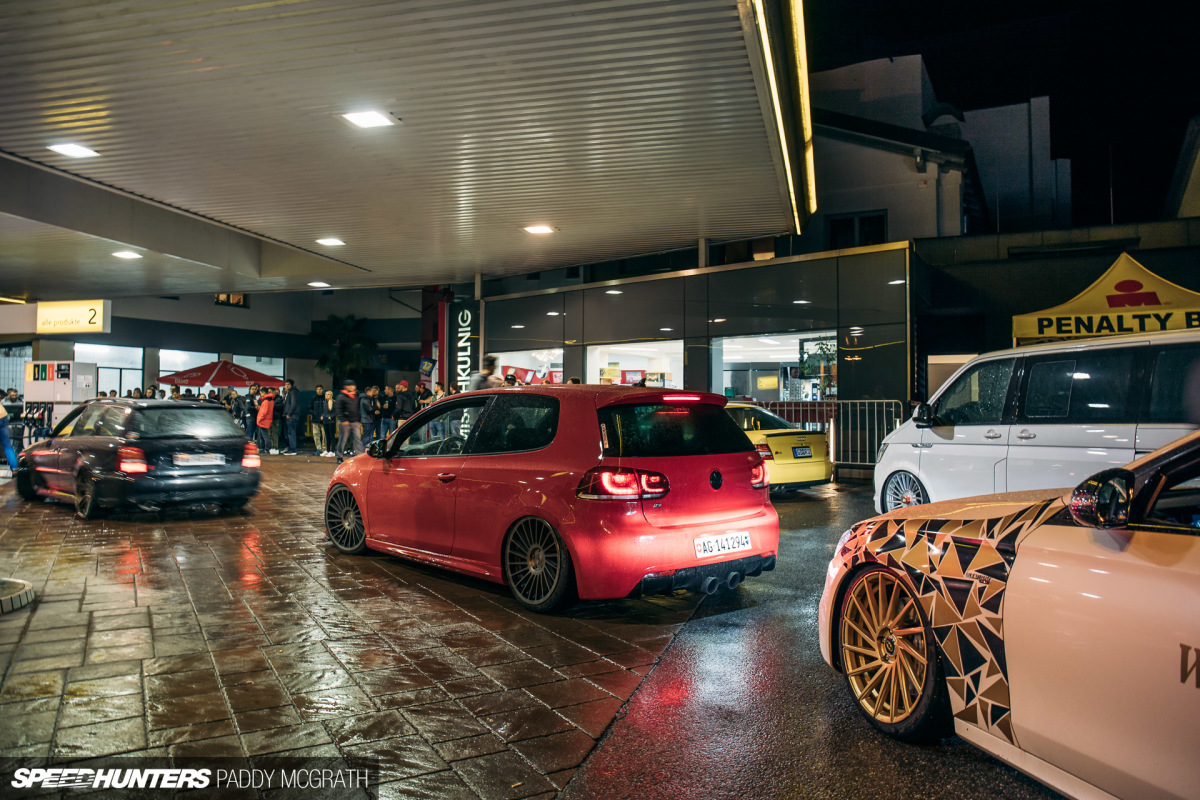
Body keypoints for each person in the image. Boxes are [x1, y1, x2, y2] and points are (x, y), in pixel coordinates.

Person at [334, 379, 364, 462]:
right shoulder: (341, 396)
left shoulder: (356, 395)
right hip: (345, 422)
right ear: (345, 387)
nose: (351, 387)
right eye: (349, 385)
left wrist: (358, 421)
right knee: (343, 439)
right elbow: (338, 409)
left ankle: (360, 457)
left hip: (355, 421)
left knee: (357, 439)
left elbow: (358, 409)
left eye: (353, 385)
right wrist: (343, 420)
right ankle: (339, 456)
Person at [281, 378, 300, 455]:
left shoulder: (293, 392)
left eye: (288, 384)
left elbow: (293, 404)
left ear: (291, 385)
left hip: (292, 415)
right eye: (285, 384)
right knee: (288, 432)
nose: (286, 385)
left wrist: (289, 413)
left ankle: (293, 449)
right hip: (288, 415)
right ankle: (290, 448)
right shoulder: (289, 392)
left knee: (291, 432)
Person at [255, 387, 276, 452]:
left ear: (263, 392)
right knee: (264, 435)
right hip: (267, 420)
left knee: (264, 436)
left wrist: (259, 419)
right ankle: (264, 448)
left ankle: (266, 449)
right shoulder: (271, 400)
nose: (260, 394)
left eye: (261, 393)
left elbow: (264, 412)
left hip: (263, 421)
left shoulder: (266, 401)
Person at [318, 389, 337, 457]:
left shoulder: (334, 402)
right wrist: (322, 416)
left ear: (331, 395)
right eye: (326, 394)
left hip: (331, 422)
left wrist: (331, 416)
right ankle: (328, 450)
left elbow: (336, 412)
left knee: (332, 436)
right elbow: (323, 411)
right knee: (327, 436)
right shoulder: (324, 402)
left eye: (328, 394)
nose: (326, 395)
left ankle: (333, 451)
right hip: (325, 421)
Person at [309, 384, 326, 454]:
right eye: (317, 389)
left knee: (324, 435)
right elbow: (309, 408)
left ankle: (324, 449)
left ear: (322, 390)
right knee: (316, 435)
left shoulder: (325, 398)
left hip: (324, 420)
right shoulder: (313, 398)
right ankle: (318, 449)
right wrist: (314, 414)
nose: (319, 391)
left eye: (320, 389)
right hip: (315, 420)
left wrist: (323, 416)